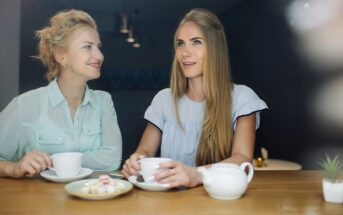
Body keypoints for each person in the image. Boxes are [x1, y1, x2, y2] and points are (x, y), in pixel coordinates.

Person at [122, 8, 267, 188]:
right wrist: (136, 162)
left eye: (196, 42)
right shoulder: (163, 100)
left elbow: (243, 158)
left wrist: (197, 174)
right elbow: (144, 151)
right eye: (180, 44)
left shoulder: (242, 98)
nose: (185, 52)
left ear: (216, 49)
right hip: (170, 203)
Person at [0, 9, 122, 178]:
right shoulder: (25, 105)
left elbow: (112, 159)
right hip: (39, 203)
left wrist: (53, 162)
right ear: (60, 55)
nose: (99, 55)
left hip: (92, 200)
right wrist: (13, 168)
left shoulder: (103, 101)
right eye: (88, 47)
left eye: (98, 47)